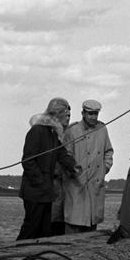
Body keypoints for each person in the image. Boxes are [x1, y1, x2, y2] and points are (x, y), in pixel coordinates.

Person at [17, 98, 80, 241]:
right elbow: (27, 161)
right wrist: (41, 181)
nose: (69, 118)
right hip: (34, 190)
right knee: (31, 227)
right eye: (67, 114)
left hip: (45, 191)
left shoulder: (52, 133)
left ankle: (36, 254)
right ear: (58, 113)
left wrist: (73, 166)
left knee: (44, 229)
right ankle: (18, 253)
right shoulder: (37, 131)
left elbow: (61, 153)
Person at [63, 99, 114, 233]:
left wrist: (104, 169)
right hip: (77, 186)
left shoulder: (102, 129)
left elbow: (108, 151)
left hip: (95, 187)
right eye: (90, 114)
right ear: (83, 113)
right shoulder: (72, 131)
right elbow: (65, 156)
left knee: (91, 229)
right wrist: (73, 172)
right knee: (72, 230)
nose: (93, 117)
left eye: (95, 114)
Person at [49, 99, 72, 235]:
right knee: (51, 219)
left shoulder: (69, 133)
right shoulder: (48, 132)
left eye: (69, 115)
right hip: (52, 184)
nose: (68, 117)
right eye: (65, 114)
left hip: (66, 185)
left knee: (62, 221)